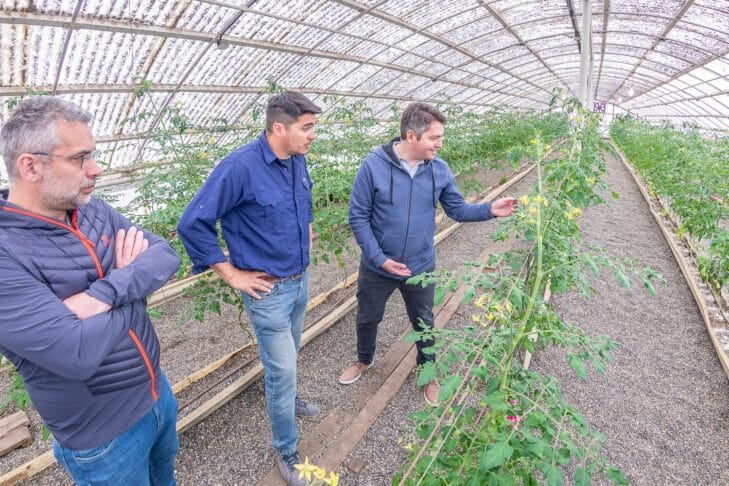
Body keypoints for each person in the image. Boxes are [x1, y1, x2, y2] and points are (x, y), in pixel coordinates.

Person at [0, 96, 181, 484]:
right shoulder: (7, 252)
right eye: (80, 158)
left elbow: (165, 256)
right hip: (104, 438)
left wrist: (105, 293)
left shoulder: (91, 210)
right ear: (30, 166)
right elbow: (76, 353)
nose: (95, 169)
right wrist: (133, 280)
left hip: (157, 393)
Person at [176, 91, 321, 486]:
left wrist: (307, 231)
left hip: (299, 279)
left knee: (290, 355)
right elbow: (192, 223)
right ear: (279, 128)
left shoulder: (296, 159)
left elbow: (303, 201)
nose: (312, 135)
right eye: (306, 128)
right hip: (268, 291)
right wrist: (232, 275)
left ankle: (287, 399)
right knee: (282, 368)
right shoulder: (239, 168)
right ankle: (286, 448)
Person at [339, 102, 517, 406]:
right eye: (434, 138)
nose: (440, 144)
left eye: (441, 138)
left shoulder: (439, 169)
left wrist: (490, 209)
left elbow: (457, 209)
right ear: (412, 135)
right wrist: (380, 258)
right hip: (378, 267)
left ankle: (428, 370)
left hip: (420, 264)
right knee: (368, 317)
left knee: (423, 320)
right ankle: (364, 359)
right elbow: (358, 217)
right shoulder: (372, 166)